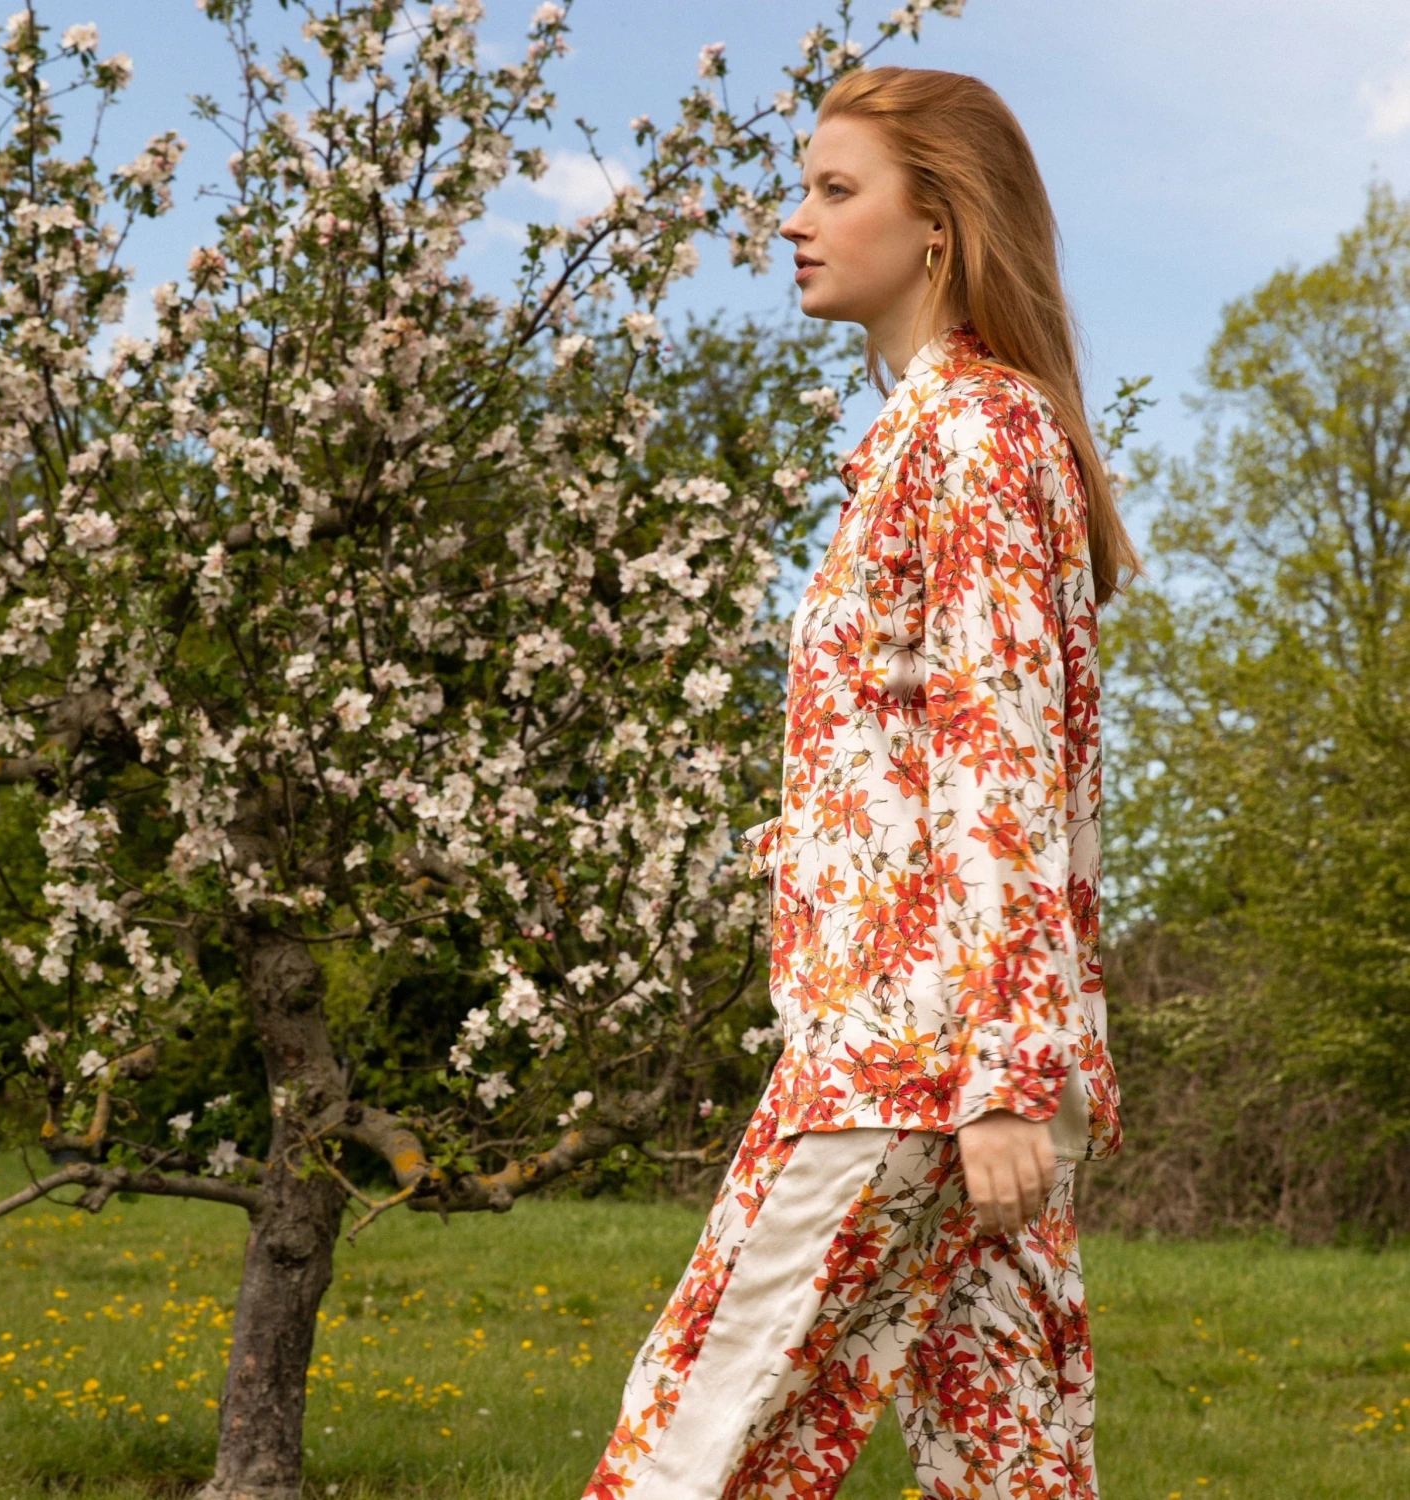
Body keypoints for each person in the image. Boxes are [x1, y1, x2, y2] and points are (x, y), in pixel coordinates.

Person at [583, 65, 1141, 1500]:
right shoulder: (928, 445)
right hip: (952, 1059)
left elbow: (1001, 756)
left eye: (836, 191)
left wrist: (1007, 1077)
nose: (794, 221)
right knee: (1013, 1467)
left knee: (694, 1446)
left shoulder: (975, 433)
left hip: (914, 1067)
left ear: (939, 223)